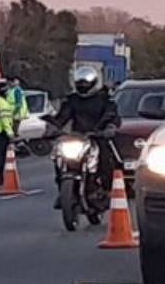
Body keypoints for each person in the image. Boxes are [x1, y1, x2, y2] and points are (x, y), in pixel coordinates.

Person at [46, 66, 120, 204]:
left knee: (105, 158)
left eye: (85, 84)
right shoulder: (72, 100)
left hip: (97, 136)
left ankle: (105, 190)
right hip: (78, 137)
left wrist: (110, 127)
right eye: (80, 84)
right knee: (59, 158)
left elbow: (112, 115)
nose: (83, 86)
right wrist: (53, 127)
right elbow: (62, 117)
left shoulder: (103, 99)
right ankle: (63, 190)